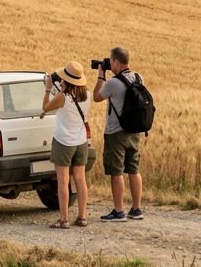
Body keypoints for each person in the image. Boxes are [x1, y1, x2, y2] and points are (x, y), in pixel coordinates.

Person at [94, 46, 144, 221]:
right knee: (134, 170)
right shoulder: (138, 77)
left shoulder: (113, 83)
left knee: (116, 172)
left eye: (110, 61)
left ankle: (118, 211)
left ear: (115, 61)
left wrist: (101, 76)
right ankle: (136, 209)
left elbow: (96, 96)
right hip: (134, 131)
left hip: (116, 133)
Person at [42, 61, 91, 228]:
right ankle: (82, 217)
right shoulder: (87, 95)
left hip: (63, 141)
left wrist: (49, 88)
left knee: (63, 180)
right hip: (80, 142)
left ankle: (64, 219)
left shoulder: (62, 97)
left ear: (66, 80)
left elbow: (46, 107)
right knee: (80, 179)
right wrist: (63, 89)